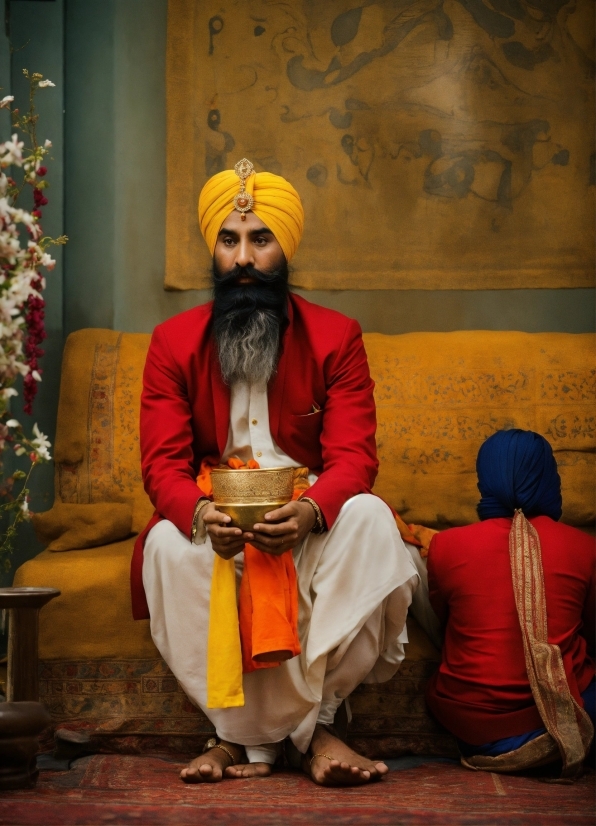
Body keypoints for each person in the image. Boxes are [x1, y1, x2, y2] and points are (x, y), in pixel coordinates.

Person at [130, 159, 420, 786]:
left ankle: (246, 746)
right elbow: (161, 465)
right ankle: (312, 736)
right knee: (161, 542)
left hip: (307, 524)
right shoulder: (172, 342)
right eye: (229, 240)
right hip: (220, 531)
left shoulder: (336, 337)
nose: (243, 257)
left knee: (369, 518)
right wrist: (203, 517)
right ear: (213, 247)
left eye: (260, 239)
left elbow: (355, 460)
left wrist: (312, 513)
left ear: (283, 247)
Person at [425, 429, 595, 776]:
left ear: (485, 482)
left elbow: (445, 624)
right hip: (564, 718)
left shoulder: (446, 546)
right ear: (550, 478)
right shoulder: (585, 548)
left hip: (472, 728)